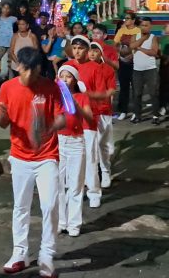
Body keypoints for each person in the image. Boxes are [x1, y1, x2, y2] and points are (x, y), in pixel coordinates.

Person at [0, 47, 64, 276]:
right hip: (20, 155)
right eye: (24, 70)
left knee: (50, 204)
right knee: (21, 206)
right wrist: (3, 116)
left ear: (38, 70)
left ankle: (47, 254)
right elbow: (2, 123)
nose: (27, 77)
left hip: (47, 155)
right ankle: (20, 253)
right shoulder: (7, 88)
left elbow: (61, 117)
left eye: (33, 72)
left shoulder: (50, 87)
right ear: (18, 67)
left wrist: (49, 127)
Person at [64, 36, 104, 208]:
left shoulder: (95, 68)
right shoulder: (66, 68)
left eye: (80, 48)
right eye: (74, 48)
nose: (77, 51)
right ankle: (72, 190)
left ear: (87, 50)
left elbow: (101, 94)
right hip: (69, 123)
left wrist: (85, 98)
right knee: (69, 160)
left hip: (88, 121)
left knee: (90, 158)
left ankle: (94, 191)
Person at [56, 65, 93, 237]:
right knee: (57, 184)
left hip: (76, 142)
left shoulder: (81, 97)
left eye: (68, 76)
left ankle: (74, 224)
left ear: (75, 80)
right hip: (58, 141)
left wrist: (75, 103)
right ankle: (60, 221)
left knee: (75, 185)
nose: (64, 79)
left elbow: (89, 118)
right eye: (61, 76)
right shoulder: (55, 97)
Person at [89, 42, 116, 189]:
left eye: (95, 51)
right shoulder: (82, 68)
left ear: (101, 53)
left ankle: (106, 170)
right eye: (90, 51)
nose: (92, 54)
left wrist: (101, 98)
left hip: (104, 111)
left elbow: (111, 90)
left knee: (104, 146)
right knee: (91, 145)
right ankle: (93, 175)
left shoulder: (107, 70)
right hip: (87, 112)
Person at [130, 17, 160, 125]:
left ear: (150, 26)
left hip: (150, 70)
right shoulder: (135, 36)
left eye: (146, 25)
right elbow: (131, 46)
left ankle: (156, 116)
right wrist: (142, 40)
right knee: (137, 94)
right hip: (137, 70)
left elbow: (153, 52)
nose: (144, 27)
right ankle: (138, 116)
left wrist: (140, 48)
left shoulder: (153, 37)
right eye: (142, 25)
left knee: (153, 93)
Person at [113, 12, 140, 120]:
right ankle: (123, 111)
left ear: (133, 20)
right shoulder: (121, 30)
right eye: (125, 18)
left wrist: (132, 55)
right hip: (123, 62)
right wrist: (120, 53)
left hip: (134, 62)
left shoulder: (138, 31)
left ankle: (136, 111)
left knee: (135, 87)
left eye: (128, 18)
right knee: (124, 88)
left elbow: (139, 45)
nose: (126, 20)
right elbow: (115, 43)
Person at [0, 2, 18, 82]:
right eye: (4, 8)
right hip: (1, 45)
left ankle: (11, 83)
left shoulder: (13, 19)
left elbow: (21, 25)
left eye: (8, 8)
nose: (6, 10)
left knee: (10, 65)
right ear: (1, 8)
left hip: (11, 45)